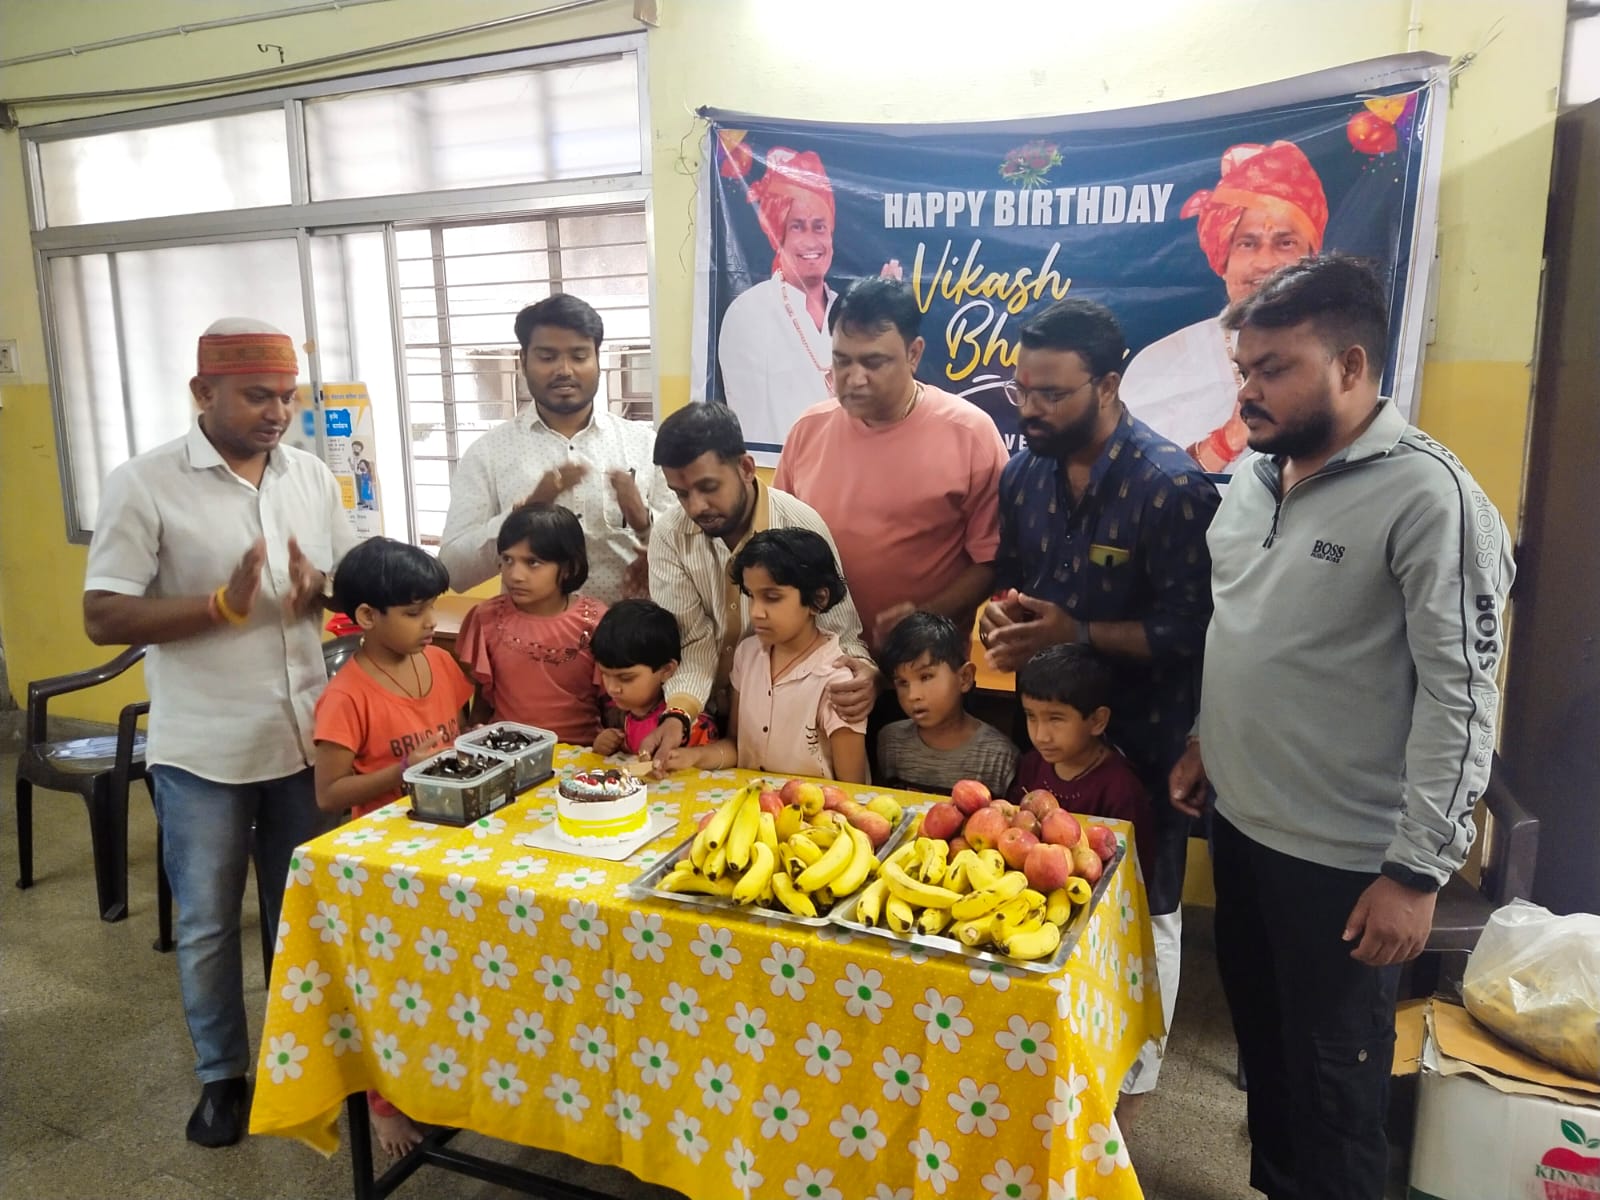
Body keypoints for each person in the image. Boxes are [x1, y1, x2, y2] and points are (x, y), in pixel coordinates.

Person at [1168, 255, 1513, 1200]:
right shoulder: (1252, 477)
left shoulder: (1430, 499)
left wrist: (1417, 872)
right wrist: (1204, 737)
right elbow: (1241, 625)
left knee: (1336, 1092)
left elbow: (1463, 697)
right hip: (1243, 829)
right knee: (1270, 1062)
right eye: (1243, 369)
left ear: (1351, 366)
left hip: (1349, 864)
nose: (1247, 391)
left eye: (1273, 368)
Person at [82, 318, 353, 1147]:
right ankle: (222, 1078)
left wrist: (318, 592)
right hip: (205, 747)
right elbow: (102, 615)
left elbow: (340, 586)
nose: (278, 413)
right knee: (206, 922)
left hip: (303, 738)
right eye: (258, 396)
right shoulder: (144, 483)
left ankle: (300, 1061)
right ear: (203, 392)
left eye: (287, 396)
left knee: (298, 914)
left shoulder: (309, 475)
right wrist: (216, 607)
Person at [979, 297, 1219, 1112]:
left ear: (1109, 385)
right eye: (1022, 392)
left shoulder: (1171, 486)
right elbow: (1012, 580)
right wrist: (1002, 618)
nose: (1032, 410)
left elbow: (1196, 629)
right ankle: (1059, 1053)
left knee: (1147, 903)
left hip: (1149, 734)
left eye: (1052, 394)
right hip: (1051, 731)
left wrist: (1077, 630)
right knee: (1046, 882)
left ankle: (1137, 1070)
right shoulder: (1023, 475)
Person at [311, 536, 473, 1157]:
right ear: (367, 616)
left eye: (430, 607)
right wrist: (407, 770)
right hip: (384, 863)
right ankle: (383, 1104)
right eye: (414, 611)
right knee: (393, 985)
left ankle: (443, 1074)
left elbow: (463, 734)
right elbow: (329, 793)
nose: (430, 622)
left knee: (445, 977)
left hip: (446, 844)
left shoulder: (440, 665)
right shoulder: (347, 695)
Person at [774, 278, 1009, 659]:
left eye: (873, 362)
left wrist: (922, 619)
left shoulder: (970, 434)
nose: (854, 378)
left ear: (914, 354)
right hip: (821, 664)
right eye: (842, 360)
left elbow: (992, 561)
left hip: (922, 668)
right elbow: (776, 546)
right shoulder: (807, 430)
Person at [643, 401, 876, 765]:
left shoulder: (799, 524)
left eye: (708, 487)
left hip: (797, 722)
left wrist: (863, 675)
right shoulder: (670, 535)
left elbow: (838, 631)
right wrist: (680, 714)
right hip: (713, 727)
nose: (696, 507)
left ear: (746, 468)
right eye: (681, 494)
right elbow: (691, 638)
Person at [439, 293, 670, 604]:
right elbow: (454, 571)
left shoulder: (645, 445)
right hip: (530, 633)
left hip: (629, 632)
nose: (565, 370)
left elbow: (690, 553)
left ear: (597, 360)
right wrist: (524, 514)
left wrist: (644, 522)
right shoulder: (487, 454)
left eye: (579, 356)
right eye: (547, 357)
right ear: (523, 361)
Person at [1121, 140, 1329, 472]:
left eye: (1285, 243)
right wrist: (1227, 440)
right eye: (1247, 243)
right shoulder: (1161, 364)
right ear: (1223, 261)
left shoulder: (1341, 359)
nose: (1266, 263)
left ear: (1311, 258)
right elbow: (1130, 486)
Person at [662, 528, 868, 783]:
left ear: (818, 599)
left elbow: (853, 789)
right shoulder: (747, 654)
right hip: (750, 800)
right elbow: (738, 746)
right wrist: (695, 757)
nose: (756, 612)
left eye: (772, 597)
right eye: (751, 596)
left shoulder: (838, 682)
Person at [717, 147, 838, 455]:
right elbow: (752, 429)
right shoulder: (749, 313)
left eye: (820, 226)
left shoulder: (848, 310)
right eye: (797, 226)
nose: (811, 241)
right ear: (776, 235)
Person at [456, 503, 606, 744]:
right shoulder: (486, 617)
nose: (515, 575)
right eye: (507, 560)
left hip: (582, 753)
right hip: (507, 752)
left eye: (532, 562)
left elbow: (612, 703)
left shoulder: (597, 621)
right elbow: (482, 698)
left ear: (569, 568)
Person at [1006, 644, 1154, 885]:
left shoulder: (1121, 789)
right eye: (1031, 716)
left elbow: (1134, 871)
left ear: (1097, 721)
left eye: (1056, 719)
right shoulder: (1032, 765)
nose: (1041, 735)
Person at [875, 610, 1018, 797]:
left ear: (964, 678)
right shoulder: (890, 742)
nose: (913, 695)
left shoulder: (998, 756)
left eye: (926, 677)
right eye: (902, 682)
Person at [590, 598, 717, 757]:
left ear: (666, 670)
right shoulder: (619, 714)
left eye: (626, 678)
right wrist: (607, 745)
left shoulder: (690, 725)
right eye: (605, 674)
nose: (612, 688)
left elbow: (705, 766)